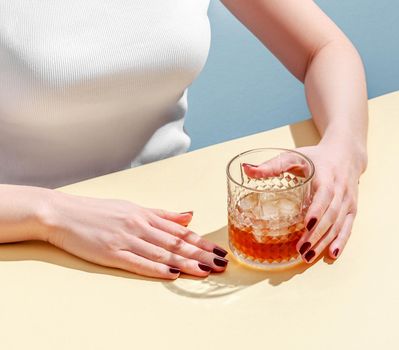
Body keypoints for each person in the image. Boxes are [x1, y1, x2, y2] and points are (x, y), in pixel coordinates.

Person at [0, 0, 368, 279]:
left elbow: (324, 49)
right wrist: (51, 214)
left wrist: (343, 146)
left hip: (173, 237)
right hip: (23, 252)